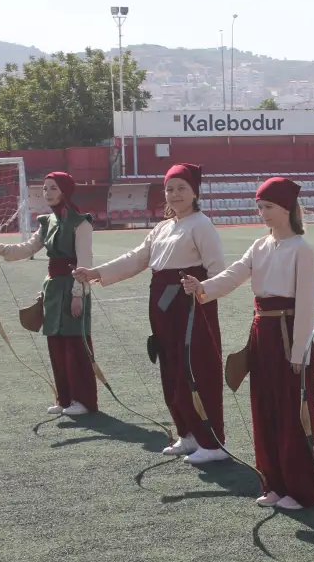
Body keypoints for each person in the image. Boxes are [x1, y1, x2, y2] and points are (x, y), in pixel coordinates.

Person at [72, 163, 229, 464]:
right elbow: (137, 259)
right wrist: (95, 272)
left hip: (192, 307)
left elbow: (218, 271)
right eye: (170, 189)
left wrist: (202, 290)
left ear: (195, 191)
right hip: (162, 309)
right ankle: (187, 434)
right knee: (170, 370)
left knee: (196, 370)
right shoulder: (161, 227)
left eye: (182, 188)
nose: (175, 194)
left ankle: (213, 443)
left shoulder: (202, 224)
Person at [181, 177, 314, 510]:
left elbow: (305, 304)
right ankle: (273, 483)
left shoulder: (301, 248)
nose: (263, 213)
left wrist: (300, 349)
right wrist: (202, 286)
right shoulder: (260, 246)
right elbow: (233, 274)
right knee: (264, 409)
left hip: (288, 335)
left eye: (268, 207)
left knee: (291, 413)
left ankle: (302, 491)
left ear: (287, 208)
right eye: (259, 207)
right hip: (261, 334)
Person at [0, 171, 97, 416]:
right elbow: (27, 248)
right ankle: (64, 399)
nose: (47, 193)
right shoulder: (47, 222)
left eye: (53, 188)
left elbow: (84, 262)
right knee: (55, 343)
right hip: (52, 288)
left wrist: (78, 294)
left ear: (65, 191)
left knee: (76, 345)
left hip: (72, 286)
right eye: (45, 189)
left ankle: (83, 401)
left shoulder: (81, 222)